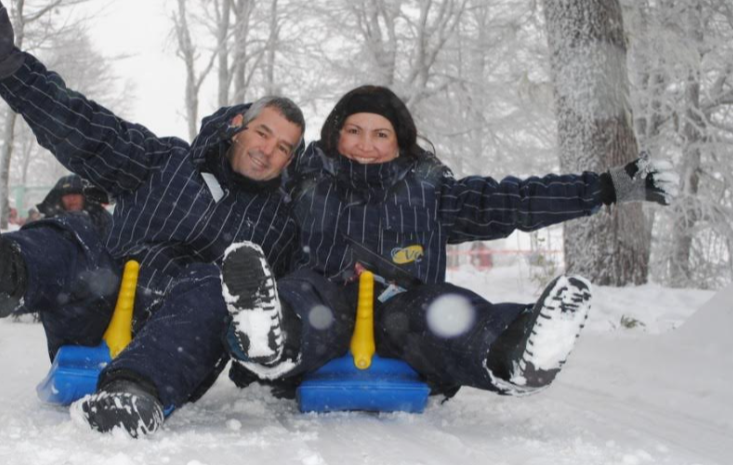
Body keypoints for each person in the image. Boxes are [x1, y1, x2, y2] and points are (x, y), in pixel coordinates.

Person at [0, 0, 305, 438]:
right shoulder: (166, 162)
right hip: (101, 310)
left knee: (215, 283)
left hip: (179, 349)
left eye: (284, 147)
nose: (269, 150)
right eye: (263, 133)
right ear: (236, 124)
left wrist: (268, 351)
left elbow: (272, 317)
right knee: (83, 233)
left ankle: (133, 393)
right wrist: (3, 59)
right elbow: (85, 127)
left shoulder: (281, 227)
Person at [217, 85, 677, 402]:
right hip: (322, 306)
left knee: (440, 309)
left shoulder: (431, 190)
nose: (366, 145)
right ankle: (270, 335)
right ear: (336, 134)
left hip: (403, 310)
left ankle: (509, 350)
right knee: (304, 295)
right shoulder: (302, 179)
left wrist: (608, 187)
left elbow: (515, 200)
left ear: (400, 142)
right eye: (354, 130)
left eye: (381, 134)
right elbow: (241, 176)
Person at [36, 174, 111, 237]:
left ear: (84, 196)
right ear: (60, 199)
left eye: (75, 193)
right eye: (66, 195)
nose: (71, 199)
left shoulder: (102, 219)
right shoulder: (49, 222)